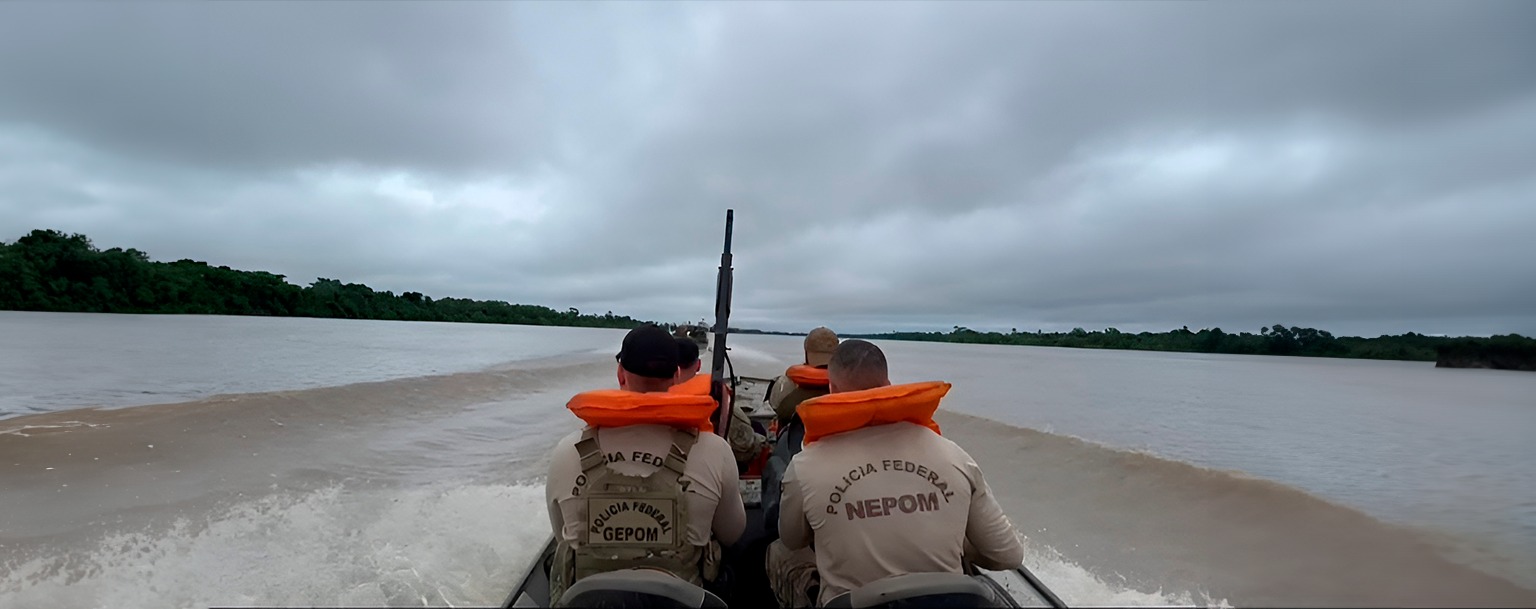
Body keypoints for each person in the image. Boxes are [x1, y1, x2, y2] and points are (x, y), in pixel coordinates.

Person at [767, 340, 1024, 607]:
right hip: (946, 603)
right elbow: (1008, 555)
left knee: (779, 552)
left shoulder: (806, 465)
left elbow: (792, 539)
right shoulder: (954, 456)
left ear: (831, 390)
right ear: (889, 385)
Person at [544, 324, 747, 603]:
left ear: (620, 374)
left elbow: (561, 534)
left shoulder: (567, 451)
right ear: (677, 377)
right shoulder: (715, 450)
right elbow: (733, 533)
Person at [761, 327, 838, 542]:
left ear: (806, 354)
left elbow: (778, 406)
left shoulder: (788, 384)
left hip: (794, 451)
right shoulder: (848, 388)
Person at [670, 337, 767, 468]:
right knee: (758, 430)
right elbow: (744, 447)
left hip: (671, 461)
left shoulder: (653, 399)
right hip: (711, 465)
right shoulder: (717, 397)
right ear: (698, 365)